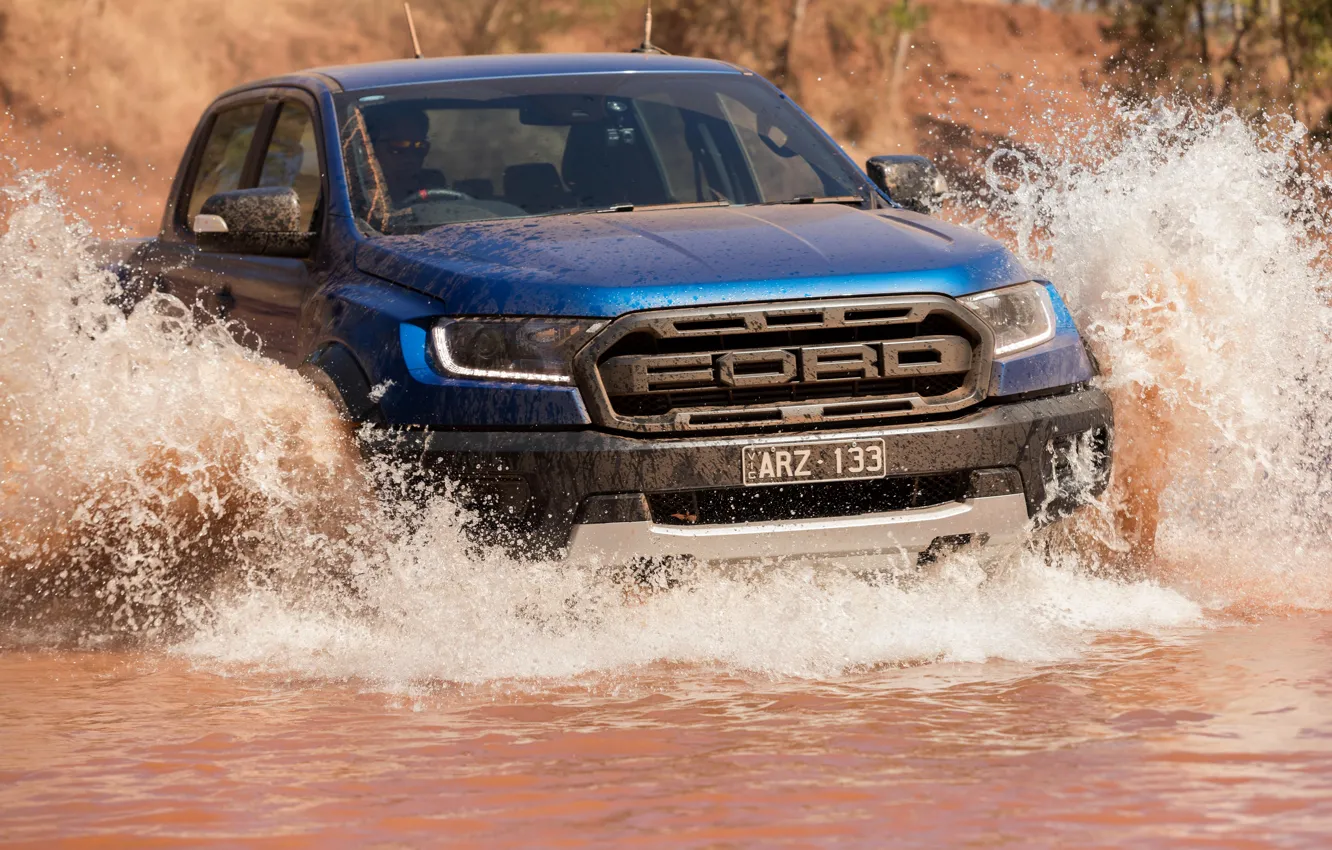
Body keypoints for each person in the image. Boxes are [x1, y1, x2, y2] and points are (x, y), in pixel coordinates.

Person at [362, 106, 450, 204]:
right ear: (370, 148)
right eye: (398, 146)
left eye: (420, 147)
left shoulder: (433, 184)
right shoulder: (357, 196)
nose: (411, 157)